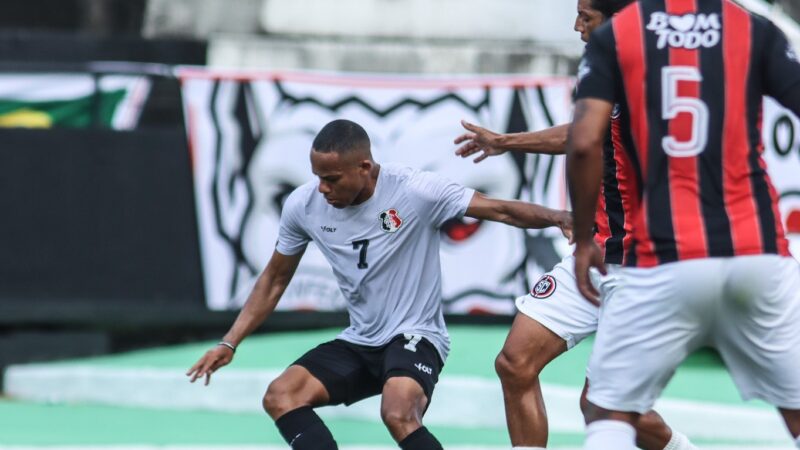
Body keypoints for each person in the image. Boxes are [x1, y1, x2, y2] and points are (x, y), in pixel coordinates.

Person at [186, 119, 572, 450]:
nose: (322, 188)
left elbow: (499, 208)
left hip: (416, 335)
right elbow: (274, 278)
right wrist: (229, 341)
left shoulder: (415, 191)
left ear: (365, 167)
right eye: (318, 177)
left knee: (398, 411)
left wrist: (558, 217)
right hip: (361, 340)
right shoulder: (303, 206)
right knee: (281, 395)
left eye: (332, 179)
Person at [453, 1, 696, 449]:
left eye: (587, 15)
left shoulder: (647, 70)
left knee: (600, 405)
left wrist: (505, 141)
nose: (576, 24)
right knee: (514, 363)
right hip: (600, 253)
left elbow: (582, 135)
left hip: (646, 268)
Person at [567, 0, 800, 448]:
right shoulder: (752, 28)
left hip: (663, 257)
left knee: (608, 410)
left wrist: (582, 240)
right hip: (757, 251)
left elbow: (583, 143)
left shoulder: (620, 34)